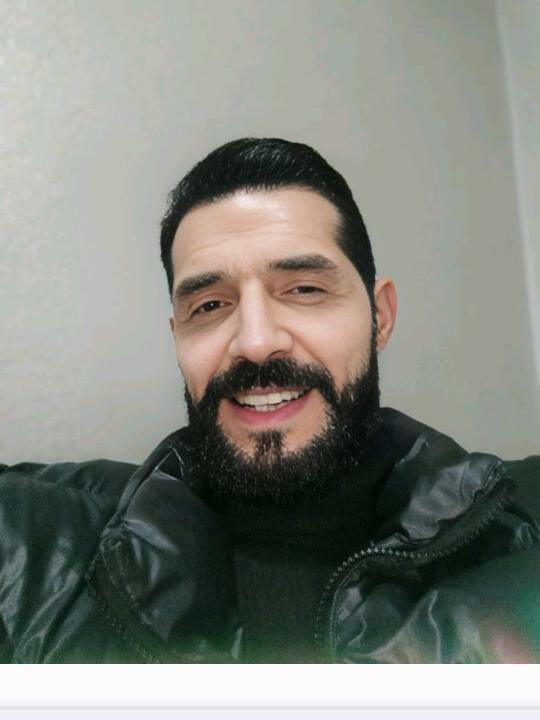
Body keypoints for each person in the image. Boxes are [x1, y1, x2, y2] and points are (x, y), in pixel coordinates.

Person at [1, 138, 539, 663]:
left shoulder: (518, 536)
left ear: (380, 317)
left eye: (304, 289)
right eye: (210, 305)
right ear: (177, 335)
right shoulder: (39, 550)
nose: (256, 342)